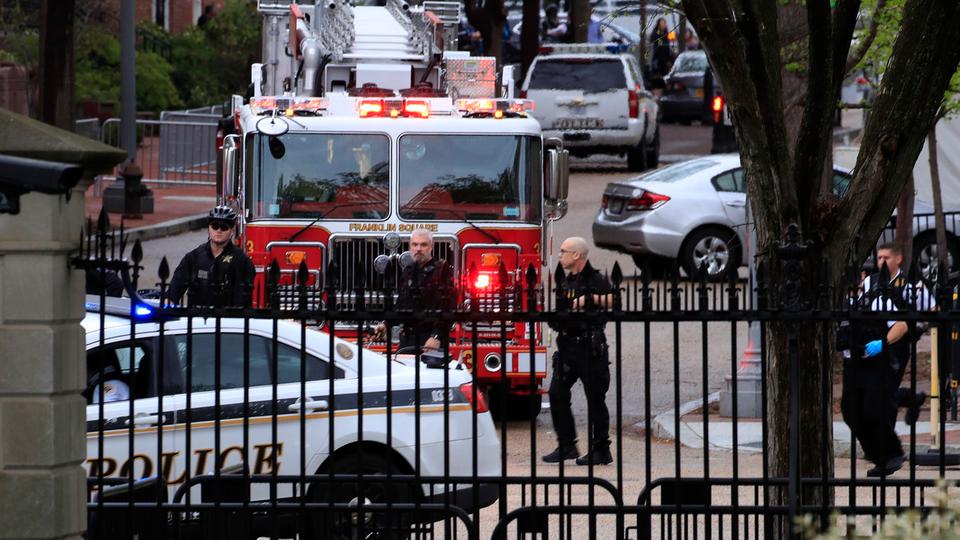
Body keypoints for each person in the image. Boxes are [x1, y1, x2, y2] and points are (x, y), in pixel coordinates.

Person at [839, 243, 931, 477]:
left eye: (885, 257)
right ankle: (880, 452)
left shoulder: (893, 292)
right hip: (855, 360)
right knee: (851, 410)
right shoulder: (854, 296)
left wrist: (884, 342)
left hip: (883, 356)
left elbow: (906, 322)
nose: (881, 262)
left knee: (876, 406)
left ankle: (890, 454)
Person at [542, 237, 616, 466]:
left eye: (564, 251)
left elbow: (615, 300)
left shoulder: (595, 279)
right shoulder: (565, 281)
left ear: (577, 255)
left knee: (595, 399)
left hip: (589, 347)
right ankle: (567, 445)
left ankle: (601, 449)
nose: (560, 254)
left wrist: (588, 300)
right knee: (556, 393)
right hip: (567, 348)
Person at [375, 229, 455, 351]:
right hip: (407, 337)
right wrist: (386, 324)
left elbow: (449, 308)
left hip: (430, 339)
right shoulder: (408, 270)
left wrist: (436, 336)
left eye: (423, 244)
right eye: (415, 244)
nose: (418, 248)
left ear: (431, 247)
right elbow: (402, 305)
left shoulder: (441, 270)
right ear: (410, 246)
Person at [168, 205, 255, 308]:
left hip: (229, 318)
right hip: (197, 318)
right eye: (214, 226)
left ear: (231, 231)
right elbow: (174, 291)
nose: (219, 230)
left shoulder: (241, 260)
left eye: (224, 227)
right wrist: (169, 302)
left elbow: (243, 298)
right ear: (208, 229)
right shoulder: (193, 257)